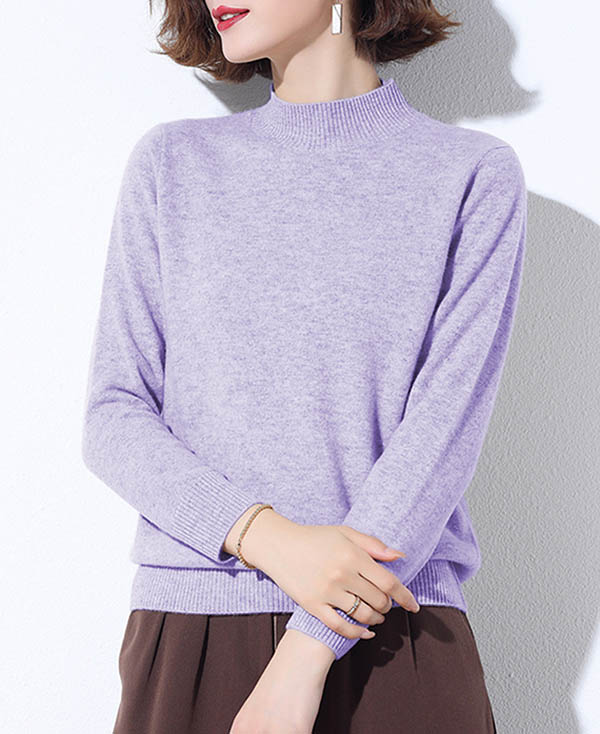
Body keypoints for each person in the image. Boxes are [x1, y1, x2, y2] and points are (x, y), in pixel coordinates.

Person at [81, 0, 527, 731]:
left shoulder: (471, 174)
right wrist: (271, 539)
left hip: (394, 629)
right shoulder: (173, 164)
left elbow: (443, 433)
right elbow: (113, 416)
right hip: (195, 624)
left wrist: (306, 651)